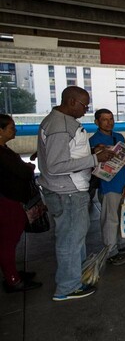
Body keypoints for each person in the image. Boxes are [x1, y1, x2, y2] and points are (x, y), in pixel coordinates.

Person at [37, 86, 114, 301]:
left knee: (75, 237)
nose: (86, 109)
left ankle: (76, 276)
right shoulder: (60, 126)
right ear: (71, 102)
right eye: (84, 105)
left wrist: (91, 153)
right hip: (67, 192)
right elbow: (56, 164)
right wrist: (95, 159)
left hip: (67, 189)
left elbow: (66, 155)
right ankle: (67, 287)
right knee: (70, 240)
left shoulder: (59, 122)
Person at [89, 109, 125, 267]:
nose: (109, 122)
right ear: (97, 122)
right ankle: (110, 251)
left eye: (111, 119)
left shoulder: (119, 137)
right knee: (110, 219)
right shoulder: (93, 141)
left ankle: (122, 243)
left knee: (122, 215)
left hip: (122, 183)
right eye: (104, 119)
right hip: (108, 185)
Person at [0, 114, 42, 293]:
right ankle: (13, 280)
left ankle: (12, 273)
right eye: (11, 128)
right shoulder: (1, 153)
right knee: (8, 241)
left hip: (11, 198)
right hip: (7, 200)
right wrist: (28, 168)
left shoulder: (4, 150)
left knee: (10, 239)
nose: (15, 130)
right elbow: (21, 171)